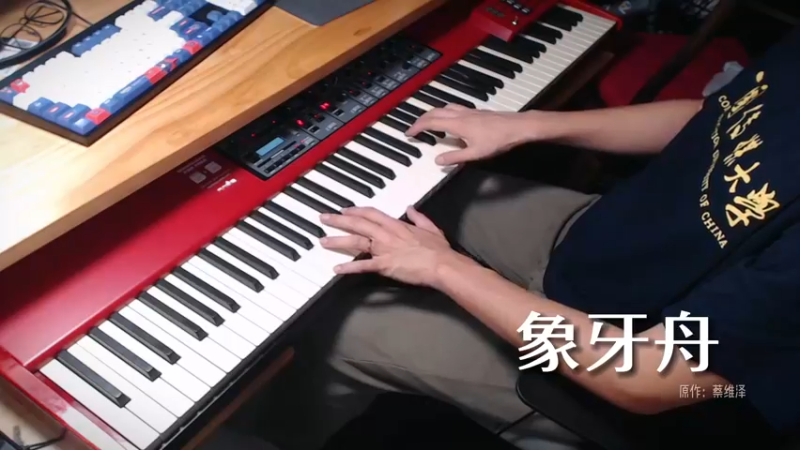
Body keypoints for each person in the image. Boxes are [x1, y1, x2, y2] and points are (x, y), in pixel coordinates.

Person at [235, 25, 800, 450]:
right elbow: (720, 116)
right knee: (429, 190)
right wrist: (530, 125)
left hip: (629, 374)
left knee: (336, 327)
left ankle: (264, 435)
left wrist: (444, 268)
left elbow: (650, 377)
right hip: (601, 242)